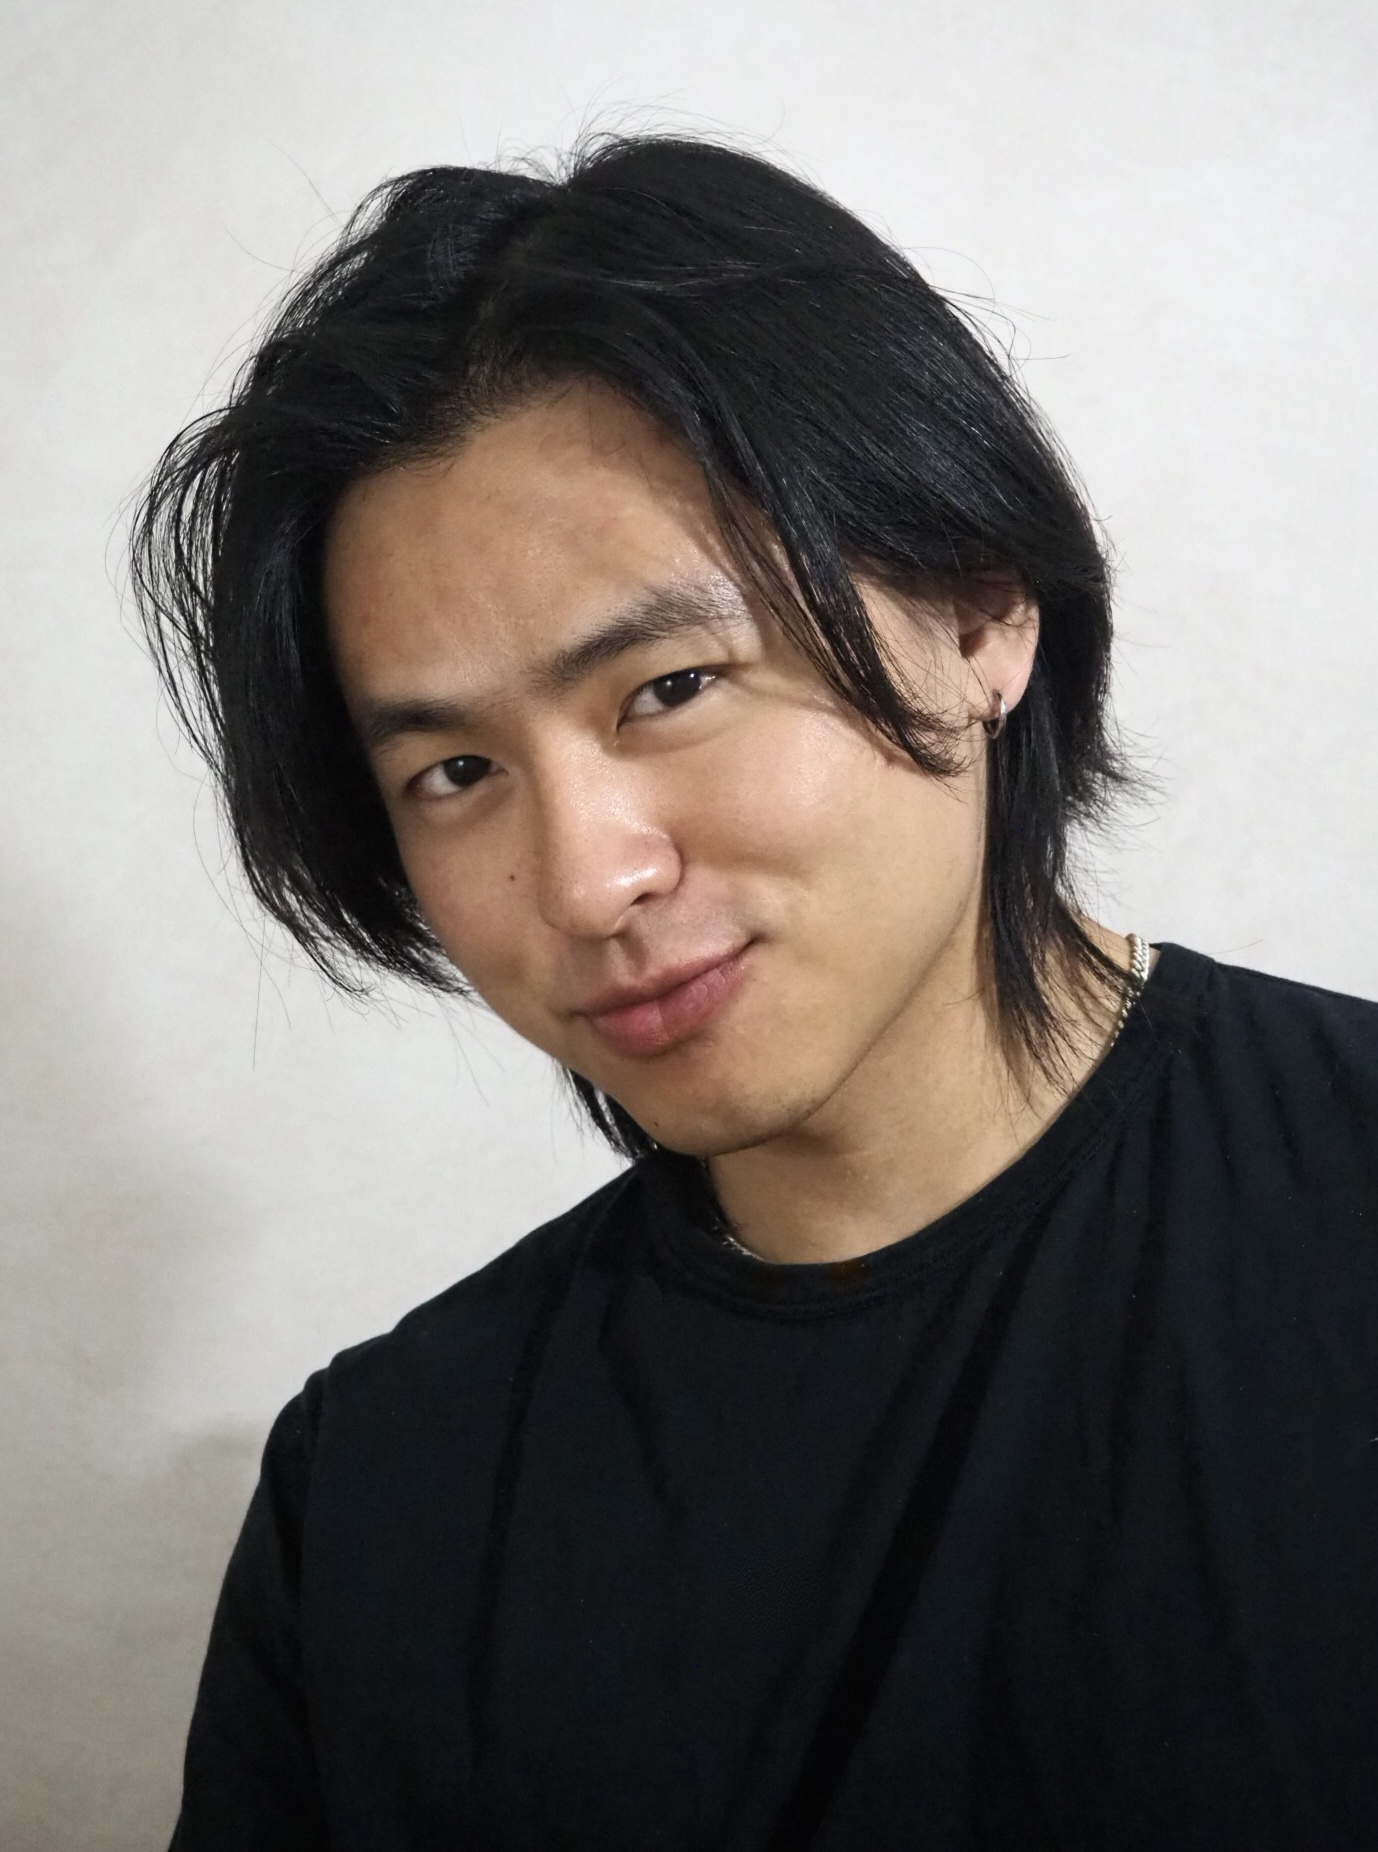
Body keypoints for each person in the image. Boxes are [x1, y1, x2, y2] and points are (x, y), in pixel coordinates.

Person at [133, 136, 1378, 1850]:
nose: (586, 882)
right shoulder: (385, 1492)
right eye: (454, 774)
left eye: (669, 686)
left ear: (975, 609)